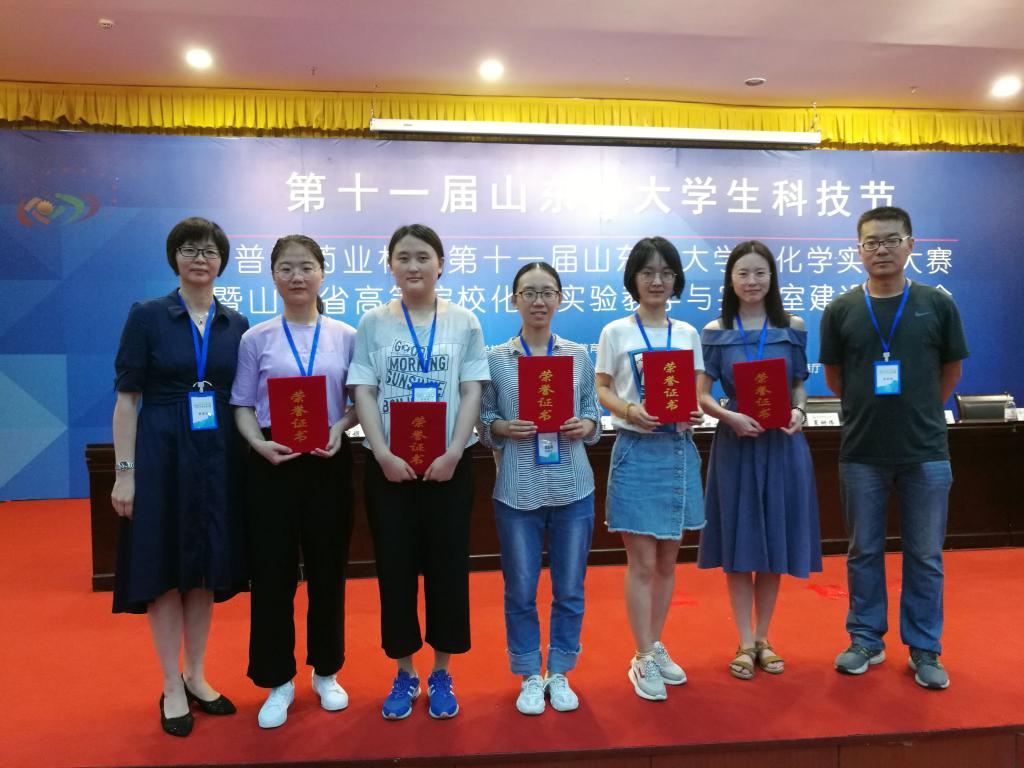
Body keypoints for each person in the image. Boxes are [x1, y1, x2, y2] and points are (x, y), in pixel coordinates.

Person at [819, 206, 968, 690]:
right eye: (871, 242)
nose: (881, 250)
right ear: (858, 250)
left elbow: (951, 371)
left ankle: (925, 647)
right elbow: (836, 378)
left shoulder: (936, 304)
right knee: (863, 551)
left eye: (890, 240)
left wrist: (919, 410)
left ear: (910, 245)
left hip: (926, 451)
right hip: (862, 451)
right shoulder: (841, 309)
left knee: (925, 555)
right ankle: (866, 639)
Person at [111, 216, 248, 737]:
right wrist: (125, 473)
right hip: (162, 453)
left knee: (206, 570)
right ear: (174, 258)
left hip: (217, 458)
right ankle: (171, 683)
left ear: (222, 262)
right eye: (189, 249)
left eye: (209, 251)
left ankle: (196, 674)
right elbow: (127, 401)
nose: (200, 258)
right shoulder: (148, 316)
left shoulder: (235, 323)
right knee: (165, 570)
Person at [349, 224, 490, 720]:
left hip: (450, 466)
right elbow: (364, 390)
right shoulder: (373, 322)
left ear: (441, 264)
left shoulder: (464, 322)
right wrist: (381, 454)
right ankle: (405, 672)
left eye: (423, 257)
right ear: (390, 264)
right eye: (403, 257)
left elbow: (471, 390)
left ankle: (442, 672)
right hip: (390, 469)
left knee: (448, 570)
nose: (413, 266)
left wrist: (453, 452)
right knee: (396, 570)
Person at [231, 235, 358, 728]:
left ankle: (326, 671)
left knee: (328, 569)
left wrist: (340, 427)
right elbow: (243, 404)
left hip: (328, 457)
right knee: (272, 573)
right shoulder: (255, 338)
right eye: (286, 268)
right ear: (273, 277)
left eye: (306, 267)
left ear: (323, 273)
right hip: (273, 462)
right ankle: (277, 679)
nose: (297, 276)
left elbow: (357, 401)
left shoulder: (345, 335)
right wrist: (257, 444)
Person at [479, 262, 601, 715]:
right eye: (528, 293)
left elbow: (593, 414)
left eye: (547, 292)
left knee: (570, 589)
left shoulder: (576, 355)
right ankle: (530, 672)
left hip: (573, 487)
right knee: (520, 590)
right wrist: (501, 427)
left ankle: (560, 671)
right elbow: (483, 422)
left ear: (560, 299)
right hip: (518, 490)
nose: (538, 301)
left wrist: (585, 424)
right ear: (514, 300)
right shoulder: (496, 358)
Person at [696, 241, 822, 680]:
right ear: (730, 280)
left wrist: (800, 411)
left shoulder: (792, 326)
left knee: (775, 542)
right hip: (737, 444)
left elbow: (799, 384)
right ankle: (744, 641)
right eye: (743, 273)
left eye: (760, 273)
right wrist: (729, 417)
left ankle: (764, 639)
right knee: (738, 543)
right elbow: (702, 395)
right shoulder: (716, 330)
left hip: (783, 444)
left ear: (772, 278)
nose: (752, 281)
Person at [595, 236, 705, 702]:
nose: (657, 281)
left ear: (676, 279)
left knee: (666, 562)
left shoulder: (688, 333)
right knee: (641, 562)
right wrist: (628, 409)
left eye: (665, 272)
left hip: (678, 450)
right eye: (648, 272)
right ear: (633, 280)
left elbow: (695, 390)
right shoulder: (616, 331)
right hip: (637, 450)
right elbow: (602, 388)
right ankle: (641, 655)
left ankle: (655, 644)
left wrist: (695, 410)